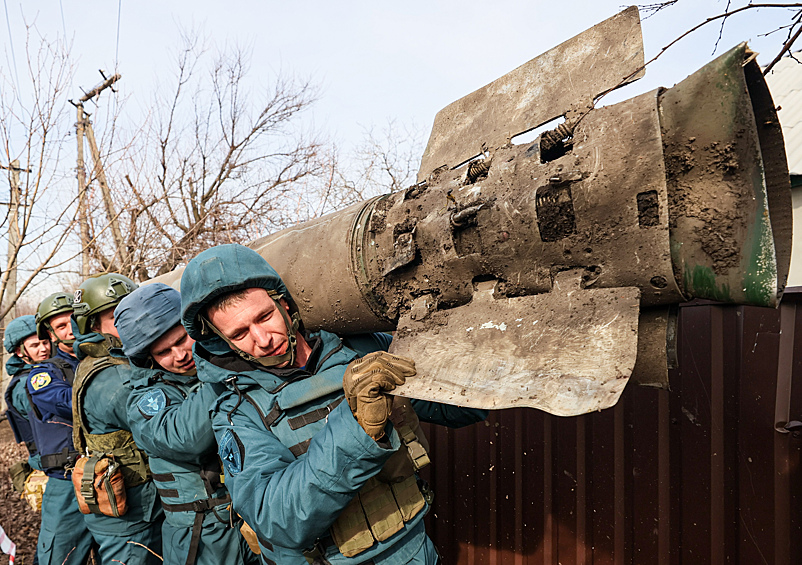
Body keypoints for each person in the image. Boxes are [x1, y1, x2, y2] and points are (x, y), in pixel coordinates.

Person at [180, 243, 488, 565]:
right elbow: (278, 519)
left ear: (283, 303)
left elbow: (459, 405)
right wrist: (358, 428)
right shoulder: (235, 410)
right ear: (223, 342)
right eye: (240, 333)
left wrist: (460, 339)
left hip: (415, 551)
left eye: (264, 317)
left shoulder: (356, 349)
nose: (262, 339)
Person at [116, 283, 259, 565]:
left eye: (182, 339)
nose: (179, 355)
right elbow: (187, 437)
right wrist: (219, 366)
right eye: (164, 352)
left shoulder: (220, 365)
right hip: (201, 537)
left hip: (252, 519)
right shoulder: (145, 400)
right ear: (148, 358)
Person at [71, 273, 163, 564]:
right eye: (117, 316)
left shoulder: (106, 361)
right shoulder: (114, 377)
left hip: (134, 510)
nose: (131, 320)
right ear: (93, 325)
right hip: (132, 520)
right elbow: (168, 431)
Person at [23, 294, 96, 565]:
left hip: (112, 476)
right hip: (67, 484)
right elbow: (68, 403)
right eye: (61, 326)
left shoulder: (104, 359)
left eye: (74, 321)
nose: (71, 330)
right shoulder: (44, 374)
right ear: (51, 335)